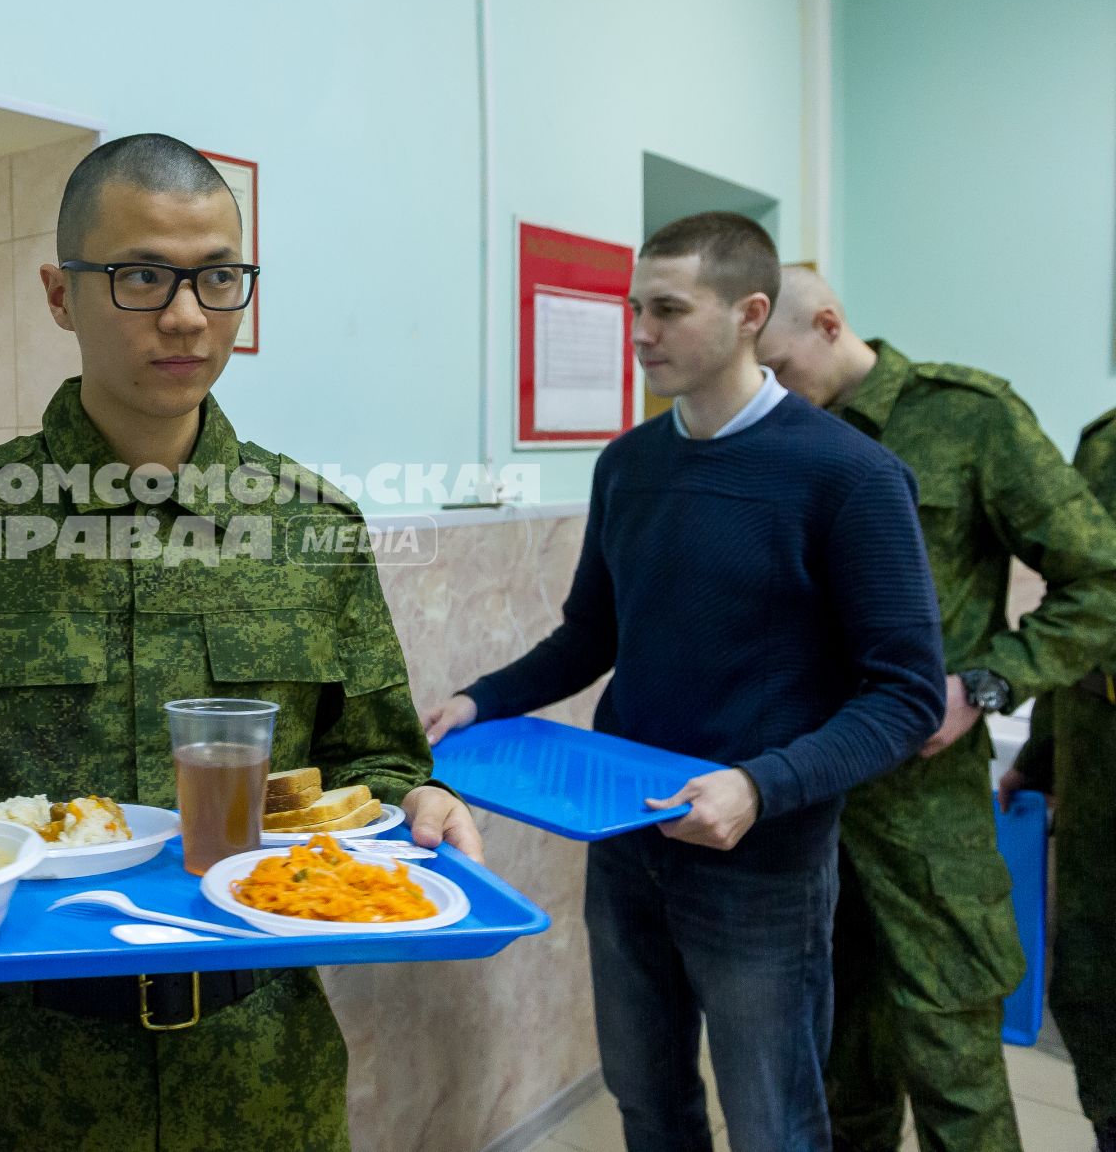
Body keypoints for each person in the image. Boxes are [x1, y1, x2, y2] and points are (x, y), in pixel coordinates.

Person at [0, 133, 479, 1151]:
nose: (187, 315)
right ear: (61, 294)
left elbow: (375, 758)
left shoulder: (312, 526)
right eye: (142, 276)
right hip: (36, 1082)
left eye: (218, 277)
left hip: (265, 1070)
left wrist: (418, 799)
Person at [424, 213, 945, 1152]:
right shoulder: (629, 465)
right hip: (626, 840)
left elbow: (905, 694)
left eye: (667, 309)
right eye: (633, 307)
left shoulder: (853, 477)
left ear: (751, 314)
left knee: (774, 1121)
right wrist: (482, 698)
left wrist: (759, 784)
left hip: (762, 861)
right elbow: (593, 633)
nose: (639, 332)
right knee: (646, 1098)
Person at [755, 267, 1116, 1151]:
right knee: (837, 1071)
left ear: (830, 324)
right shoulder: (768, 434)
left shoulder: (967, 417)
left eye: (778, 364)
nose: (768, 386)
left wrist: (986, 686)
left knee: (955, 1075)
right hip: (807, 799)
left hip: (925, 813)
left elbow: (1100, 576)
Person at [1000, 405, 1116, 1152]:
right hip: (1098, 756)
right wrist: (1038, 757)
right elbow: (1080, 613)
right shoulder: (1107, 442)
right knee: (1092, 975)